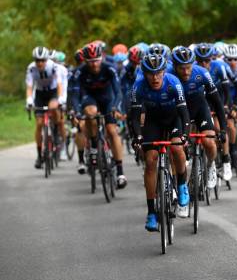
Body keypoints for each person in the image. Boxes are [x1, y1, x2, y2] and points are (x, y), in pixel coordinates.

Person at [130, 48, 191, 228]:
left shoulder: (174, 83)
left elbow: (184, 113)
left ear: (164, 71)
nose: (155, 78)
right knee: (150, 160)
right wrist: (138, 137)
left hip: (174, 119)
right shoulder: (138, 86)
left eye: (158, 73)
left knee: (177, 148)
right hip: (153, 122)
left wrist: (185, 135)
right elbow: (134, 117)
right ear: (145, 74)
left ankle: (181, 186)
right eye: (150, 74)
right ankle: (151, 213)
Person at [167, 46, 227, 189]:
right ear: (174, 66)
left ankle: (211, 164)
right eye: (182, 68)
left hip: (200, 109)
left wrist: (223, 129)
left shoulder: (202, 73)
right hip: (179, 113)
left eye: (188, 67)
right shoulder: (168, 76)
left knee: (209, 142)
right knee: (175, 148)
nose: (186, 72)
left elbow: (217, 102)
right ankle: (177, 182)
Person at [72, 41, 127, 189]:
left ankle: (120, 172)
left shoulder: (110, 68)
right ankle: (95, 144)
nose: (94, 65)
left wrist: (116, 107)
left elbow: (118, 92)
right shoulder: (81, 71)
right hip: (90, 98)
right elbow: (75, 94)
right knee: (90, 113)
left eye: (96, 61)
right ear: (85, 61)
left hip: (108, 99)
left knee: (111, 130)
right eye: (90, 62)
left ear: (101, 57)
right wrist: (76, 111)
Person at [193, 43, 233, 181]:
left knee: (219, 126)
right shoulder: (193, 70)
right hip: (201, 101)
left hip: (217, 98)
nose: (204, 64)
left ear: (212, 58)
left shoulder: (219, 66)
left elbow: (227, 88)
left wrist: (227, 105)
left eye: (207, 60)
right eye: (200, 61)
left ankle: (226, 160)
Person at [26, 47, 64, 169]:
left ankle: (56, 133)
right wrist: (29, 101)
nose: (40, 63)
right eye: (37, 60)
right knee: (39, 124)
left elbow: (59, 84)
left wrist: (59, 99)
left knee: (54, 109)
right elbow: (30, 86)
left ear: (46, 60)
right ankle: (39, 155)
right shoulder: (31, 68)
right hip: (40, 94)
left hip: (52, 91)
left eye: (42, 60)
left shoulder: (53, 67)